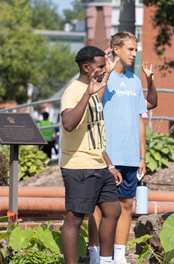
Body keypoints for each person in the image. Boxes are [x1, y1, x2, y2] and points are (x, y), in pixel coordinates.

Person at [88, 31, 158, 264]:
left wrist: (142, 156)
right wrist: (103, 75)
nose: (134, 54)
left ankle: (119, 256)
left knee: (126, 205)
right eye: (130, 49)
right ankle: (95, 255)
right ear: (115, 49)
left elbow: (140, 120)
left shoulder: (135, 81)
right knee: (98, 208)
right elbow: (91, 101)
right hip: (105, 155)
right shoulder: (103, 79)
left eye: (136, 50)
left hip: (130, 157)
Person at [59, 46, 121, 264]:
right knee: (75, 218)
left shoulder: (94, 90)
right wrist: (87, 94)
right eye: (100, 66)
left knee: (113, 210)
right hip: (78, 166)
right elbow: (68, 124)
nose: (104, 69)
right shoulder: (74, 91)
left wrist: (110, 165)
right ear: (86, 67)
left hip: (99, 164)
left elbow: (94, 132)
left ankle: (105, 261)